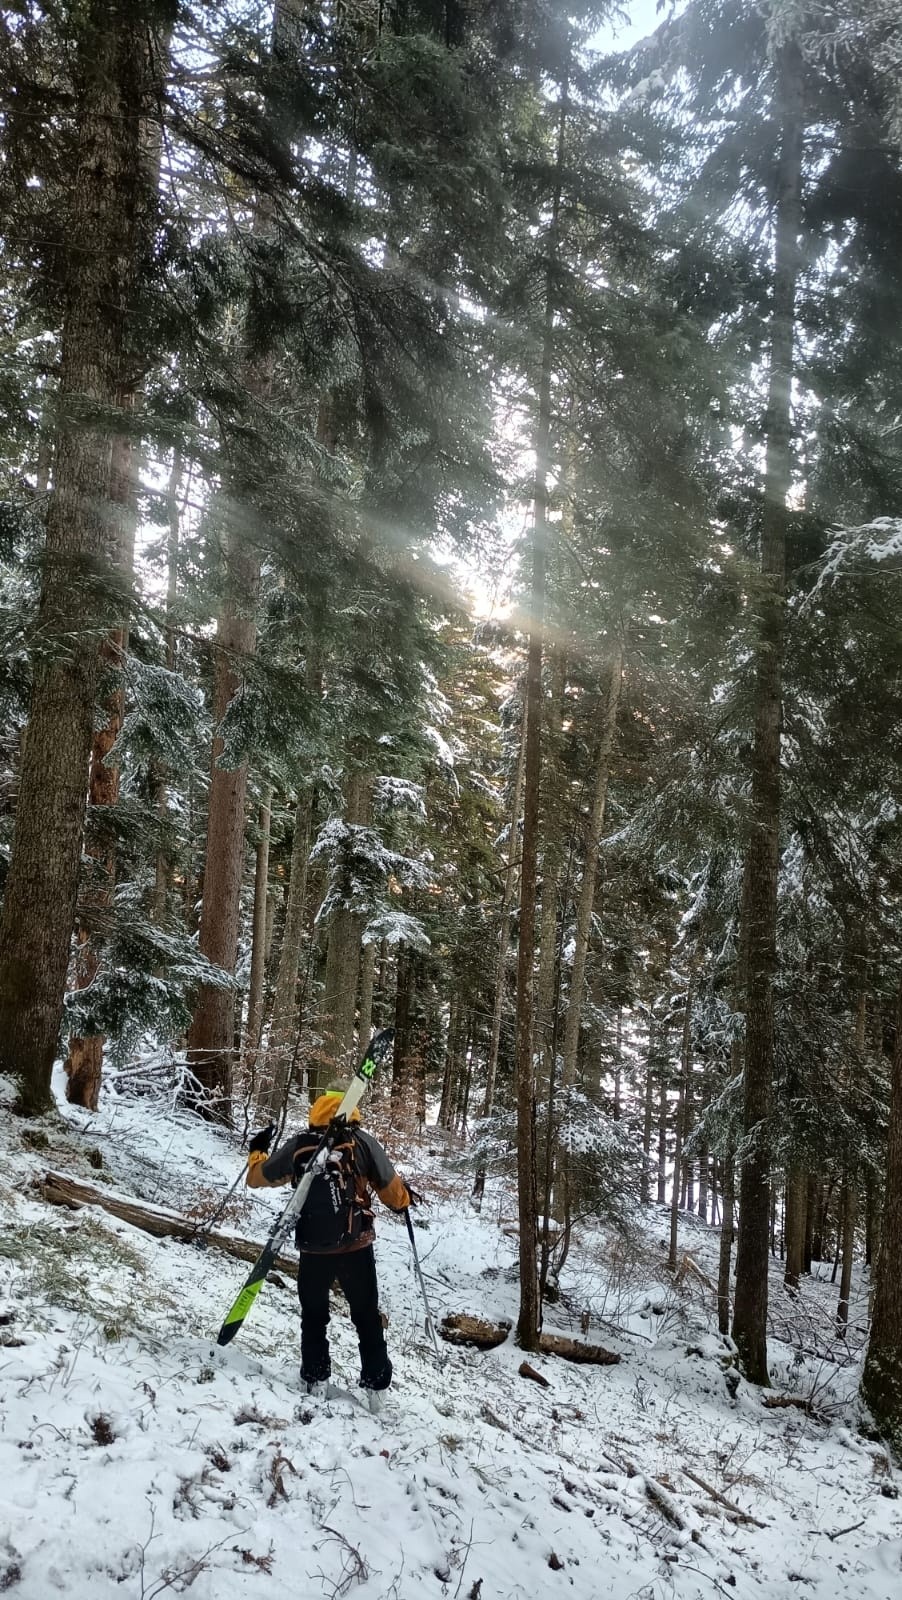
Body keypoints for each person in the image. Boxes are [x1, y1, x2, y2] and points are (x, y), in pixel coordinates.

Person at [246, 1087, 413, 1412]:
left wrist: (257, 1151)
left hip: (313, 1248)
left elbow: (257, 1179)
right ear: (351, 1112)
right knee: (366, 1317)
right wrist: (405, 1200)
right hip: (356, 1247)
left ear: (317, 1112)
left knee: (313, 1316)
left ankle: (315, 1378)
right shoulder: (362, 1143)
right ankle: (376, 1388)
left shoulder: (300, 1146)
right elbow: (393, 1193)